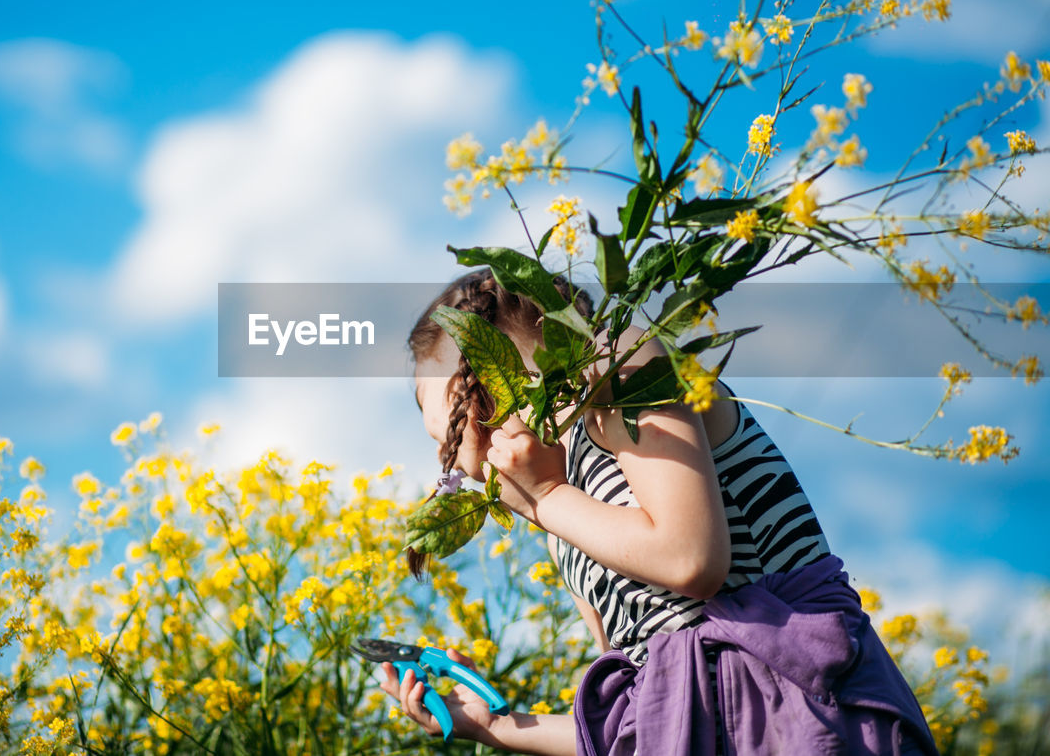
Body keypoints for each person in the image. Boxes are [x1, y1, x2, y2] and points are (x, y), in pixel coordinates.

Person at [376, 267, 938, 756]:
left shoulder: (617, 366)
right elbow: (645, 712)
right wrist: (495, 725)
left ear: (475, 382)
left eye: (443, 434)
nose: (452, 466)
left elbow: (692, 558)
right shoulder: (566, 526)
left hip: (805, 715)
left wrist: (549, 500)